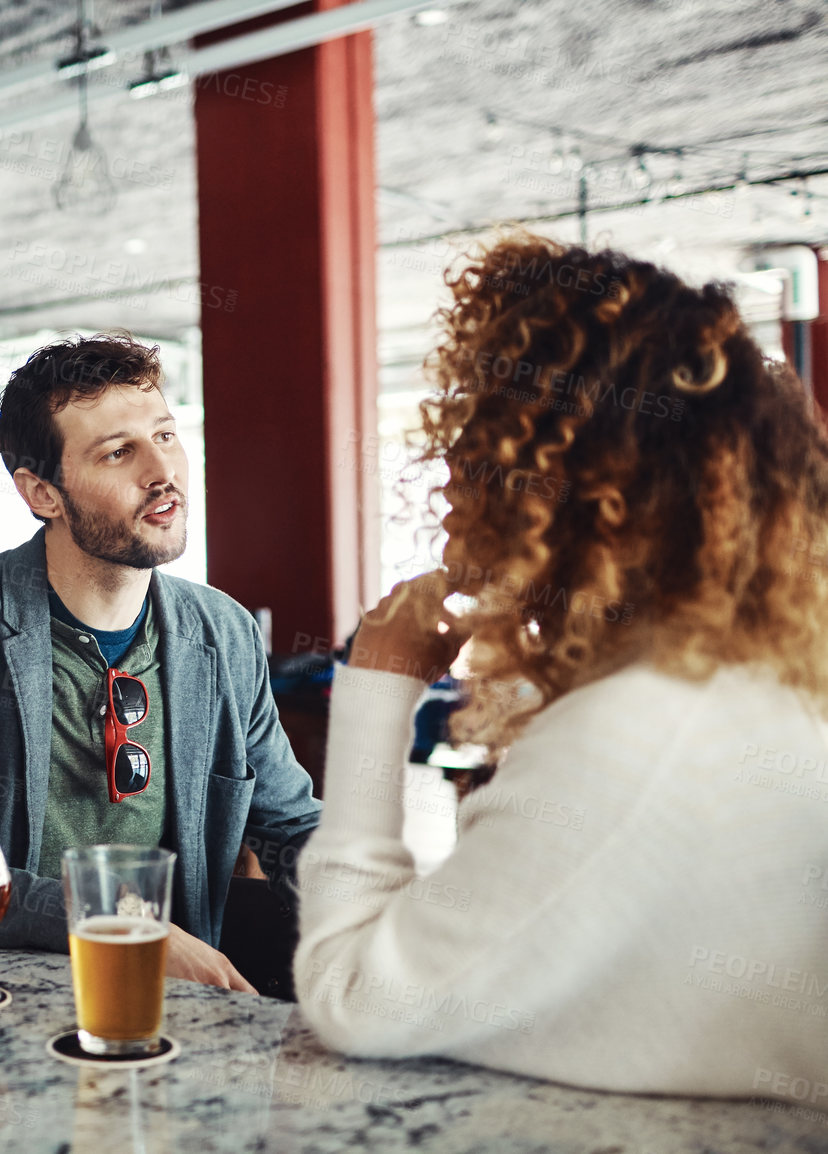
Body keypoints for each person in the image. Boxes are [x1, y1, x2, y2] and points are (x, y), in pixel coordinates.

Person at [294, 236, 828, 1099]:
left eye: (476, 438)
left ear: (550, 479)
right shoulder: (752, 682)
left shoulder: (635, 731)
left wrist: (376, 682)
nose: (449, 485)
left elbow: (353, 998)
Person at [0, 333, 322, 990]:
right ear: (42, 494)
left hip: (174, 1016)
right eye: (119, 452)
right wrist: (114, 921)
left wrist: (414, 902)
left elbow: (291, 826)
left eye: (166, 436)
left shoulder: (224, 634)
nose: (163, 472)